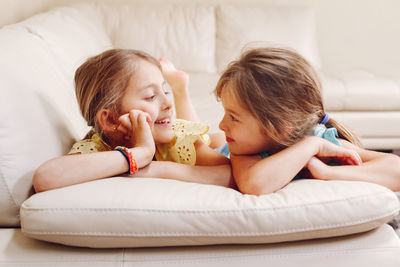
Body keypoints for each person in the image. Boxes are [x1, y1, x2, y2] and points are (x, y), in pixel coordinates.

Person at [33, 49, 231, 193]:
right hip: (162, 135)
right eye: (151, 96)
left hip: (213, 145)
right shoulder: (96, 149)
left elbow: (232, 175)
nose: (167, 104)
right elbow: (45, 178)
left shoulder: (177, 139)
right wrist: (140, 154)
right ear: (110, 119)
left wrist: (157, 168)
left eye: (165, 91)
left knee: (215, 140)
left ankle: (180, 89)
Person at [214, 47, 400, 195]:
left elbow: (395, 169)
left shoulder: (325, 142)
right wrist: (311, 146)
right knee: (206, 144)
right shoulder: (244, 151)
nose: (222, 125)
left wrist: (328, 173)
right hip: (220, 148)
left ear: (280, 128)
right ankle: (182, 96)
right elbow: (255, 185)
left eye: (234, 118)